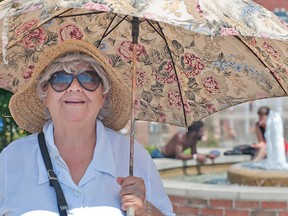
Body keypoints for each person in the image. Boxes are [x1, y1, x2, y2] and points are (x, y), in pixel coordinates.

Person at [0, 40, 174, 215]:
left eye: (88, 79)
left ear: (103, 96)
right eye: (60, 79)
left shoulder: (133, 155)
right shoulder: (11, 159)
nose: (75, 87)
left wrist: (144, 208)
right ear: (45, 94)